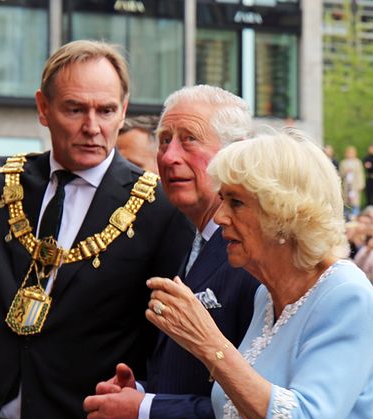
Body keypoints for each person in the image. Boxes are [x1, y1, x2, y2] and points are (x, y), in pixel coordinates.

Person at [0, 40, 192, 418]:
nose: (92, 127)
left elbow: (166, 338)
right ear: (43, 108)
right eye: (75, 109)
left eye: (106, 110)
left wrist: (139, 392)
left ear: (123, 110)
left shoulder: (158, 208)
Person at [142, 130, 373, 418]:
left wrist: (211, 346)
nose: (220, 216)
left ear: (285, 214)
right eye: (221, 200)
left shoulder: (346, 295)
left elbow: (305, 415)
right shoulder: (267, 296)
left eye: (235, 202)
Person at [83, 85, 260, 418]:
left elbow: (257, 404)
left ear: (235, 152)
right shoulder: (193, 242)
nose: (168, 156)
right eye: (164, 140)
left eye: (189, 139)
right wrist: (139, 391)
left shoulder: (252, 257)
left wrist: (146, 409)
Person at [339, 145, 365, 219]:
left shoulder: (358, 162)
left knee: (355, 200)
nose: (350, 154)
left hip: (355, 185)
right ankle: (347, 216)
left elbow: (360, 174)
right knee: (347, 201)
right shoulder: (343, 162)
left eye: (352, 153)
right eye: (349, 153)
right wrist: (345, 172)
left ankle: (356, 215)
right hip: (347, 185)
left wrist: (361, 185)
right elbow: (340, 175)